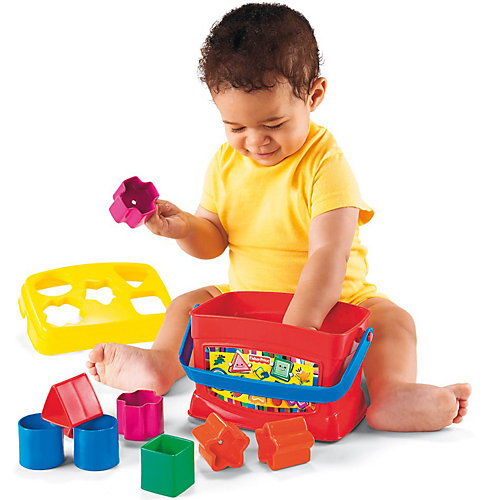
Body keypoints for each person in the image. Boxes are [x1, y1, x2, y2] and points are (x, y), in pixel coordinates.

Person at [87, 3, 470, 432]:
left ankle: (391, 392)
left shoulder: (325, 165)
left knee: (393, 322)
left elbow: (329, 254)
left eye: (273, 123)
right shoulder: (225, 164)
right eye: (236, 127)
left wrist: (295, 331)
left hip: (335, 306)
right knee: (187, 305)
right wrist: (184, 228)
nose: (255, 142)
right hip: (250, 303)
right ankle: (160, 364)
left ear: (314, 96)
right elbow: (213, 240)